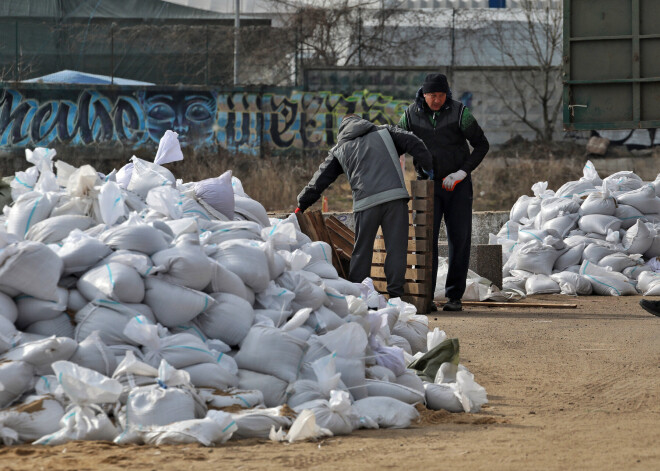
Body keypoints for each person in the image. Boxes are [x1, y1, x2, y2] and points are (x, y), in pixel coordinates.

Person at [296, 114, 433, 299]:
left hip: (366, 203)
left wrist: (301, 204)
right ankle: (395, 297)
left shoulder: (339, 149)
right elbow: (414, 141)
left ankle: (357, 296)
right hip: (394, 198)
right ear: (362, 122)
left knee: (362, 251)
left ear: (342, 130)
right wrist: (426, 170)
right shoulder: (385, 132)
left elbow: (319, 180)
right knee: (396, 249)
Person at [398, 73, 489, 312]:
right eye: (432, 96)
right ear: (423, 94)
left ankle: (454, 296)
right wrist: (400, 169)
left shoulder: (460, 113)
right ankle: (425, 296)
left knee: (459, 239)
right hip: (426, 186)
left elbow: (482, 144)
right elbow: (395, 142)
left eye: (440, 95)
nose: (436, 100)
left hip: (457, 185)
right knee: (425, 241)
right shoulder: (409, 115)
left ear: (446, 94)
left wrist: (462, 172)